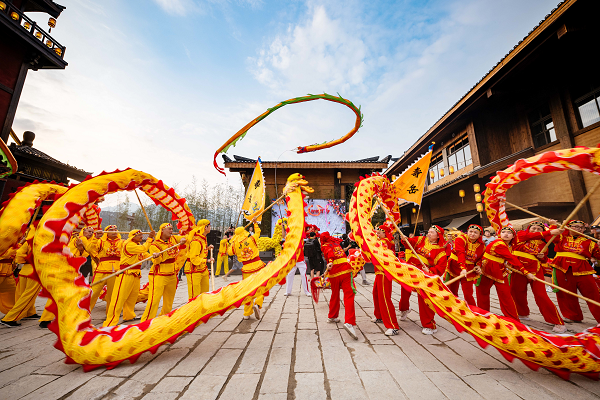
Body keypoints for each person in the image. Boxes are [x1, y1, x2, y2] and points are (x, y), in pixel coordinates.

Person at [511, 221, 566, 333]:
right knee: (517, 292)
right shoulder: (521, 235)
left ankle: (557, 321)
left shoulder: (543, 243)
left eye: (539, 229)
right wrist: (549, 231)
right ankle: (522, 314)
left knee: (541, 295)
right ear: (528, 229)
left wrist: (541, 257)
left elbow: (545, 259)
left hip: (535, 269)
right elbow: (529, 236)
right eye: (533, 228)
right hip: (518, 268)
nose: (536, 231)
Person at [400, 225, 448, 335]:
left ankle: (429, 325)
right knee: (404, 289)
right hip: (410, 270)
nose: (429, 234)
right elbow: (410, 243)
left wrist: (430, 270)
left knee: (424, 299)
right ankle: (404, 309)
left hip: (424, 276)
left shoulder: (440, 252)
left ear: (438, 236)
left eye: (432, 232)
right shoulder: (421, 239)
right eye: (429, 232)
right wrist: (405, 239)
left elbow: (441, 268)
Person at [103, 229, 155, 327]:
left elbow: (145, 254)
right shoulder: (129, 245)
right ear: (132, 236)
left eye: (141, 234)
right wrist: (150, 238)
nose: (141, 236)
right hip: (125, 274)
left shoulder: (137, 246)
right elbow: (144, 249)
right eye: (139, 235)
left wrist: (155, 256)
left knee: (132, 297)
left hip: (135, 274)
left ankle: (129, 315)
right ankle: (110, 321)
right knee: (119, 298)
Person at [551, 220, 600, 323]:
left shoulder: (590, 241)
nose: (579, 229)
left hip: (583, 269)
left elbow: (598, 255)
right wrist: (554, 225)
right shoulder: (561, 237)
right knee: (566, 294)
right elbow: (550, 237)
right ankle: (572, 316)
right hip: (562, 267)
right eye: (575, 226)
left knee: (593, 293)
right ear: (568, 227)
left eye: (581, 227)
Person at [474, 226, 524, 322]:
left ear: (513, 236)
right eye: (503, 232)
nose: (505, 234)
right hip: (486, 270)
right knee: (482, 294)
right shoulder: (499, 243)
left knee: (506, 295)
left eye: (509, 233)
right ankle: (483, 316)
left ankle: (513, 319)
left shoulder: (510, 245)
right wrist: (525, 271)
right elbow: (511, 258)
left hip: (500, 271)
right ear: (499, 234)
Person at [141, 223, 187, 322]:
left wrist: (183, 239)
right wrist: (157, 257)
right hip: (159, 275)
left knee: (169, 301)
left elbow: (184, 238)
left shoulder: (174, 239)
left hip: (172, 274)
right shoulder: (154, 245)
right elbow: (157, 262)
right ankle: (146, 322)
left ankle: (164, 320)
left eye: (172, 229)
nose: (171, 231)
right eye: (169, 229)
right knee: (154, 300)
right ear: (162, 231)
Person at [320, 232, 358, 340]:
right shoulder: (336, 244)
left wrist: (328, 267)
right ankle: (349, 322)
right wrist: (329, 265)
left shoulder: (325, 246)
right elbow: (332, 256)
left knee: (335, 293)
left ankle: (332, 316)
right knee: (349, 295)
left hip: (334, 273)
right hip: (345, 271)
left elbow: (330, 256)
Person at [0, 228, 40, 327]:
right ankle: (10, 318)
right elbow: (6, 253)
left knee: (15, 293)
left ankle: (28, 312)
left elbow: (19, 255)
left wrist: (15, 262)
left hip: (13, 271)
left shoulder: (29, 241)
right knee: (27, 296)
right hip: (32, 270)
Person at [228, 220, 265, 320]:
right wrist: (255, 223)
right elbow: (258, 232)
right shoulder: (251, 239)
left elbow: (229, 252)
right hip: (257, 265)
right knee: (261, 286)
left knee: (248, 290)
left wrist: (232, 240)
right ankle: (257, 304)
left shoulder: (235, 245)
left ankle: (247, 313)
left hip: (246, 269)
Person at [446, 225, 486, 307]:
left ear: (480, 235)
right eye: (470, 231)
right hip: (455, 265)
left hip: (469, 269)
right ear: (467, 232)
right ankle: (452, 308)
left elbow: (480, 258)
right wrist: (463, 268)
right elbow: (461, 253)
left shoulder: (482, 246)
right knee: (452, 290)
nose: (472, 234)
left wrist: (478, 266)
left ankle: (473, 312)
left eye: (475, 232)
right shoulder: (460, 239)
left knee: (468, 293)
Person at [371, 223, 400, 336]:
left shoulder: (385, 242)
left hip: (384, 272)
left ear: (384, 233)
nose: (377, 234)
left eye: (379, 232)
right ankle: (379, 316)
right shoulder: (383, 241)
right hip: (379, 272)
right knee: (376, 293)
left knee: (384, 297)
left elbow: (374, 246)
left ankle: (393, 326)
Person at [88, 225, 124, 312]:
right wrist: (96, 238)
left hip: (116, 271)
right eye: (111, 230)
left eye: (116, 229)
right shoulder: (100, 241)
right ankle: (84, 314)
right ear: (106, 233)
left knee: (112, 295)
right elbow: (89, 249)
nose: (114, 231)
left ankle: (110, 316)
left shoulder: (122, 242)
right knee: (93, 293)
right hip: (101, 270)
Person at [186, 220, 214, 299]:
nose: (210, 227)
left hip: (202, 268)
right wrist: (207, 260)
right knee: (195, 296)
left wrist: (208, 248)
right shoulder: (196, 241)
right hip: (194, 270)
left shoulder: (203, 238)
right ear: (205, 227)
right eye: (209, 226)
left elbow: (200, 251)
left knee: (204, 294)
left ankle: (203, 310)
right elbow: (194, 258)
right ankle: (194, 311)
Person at [0, 243, 18, 317]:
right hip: (2, 268)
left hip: (8, 270)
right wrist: (19, 245)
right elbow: (3, 254)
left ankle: (10, 314)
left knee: (11, 291)